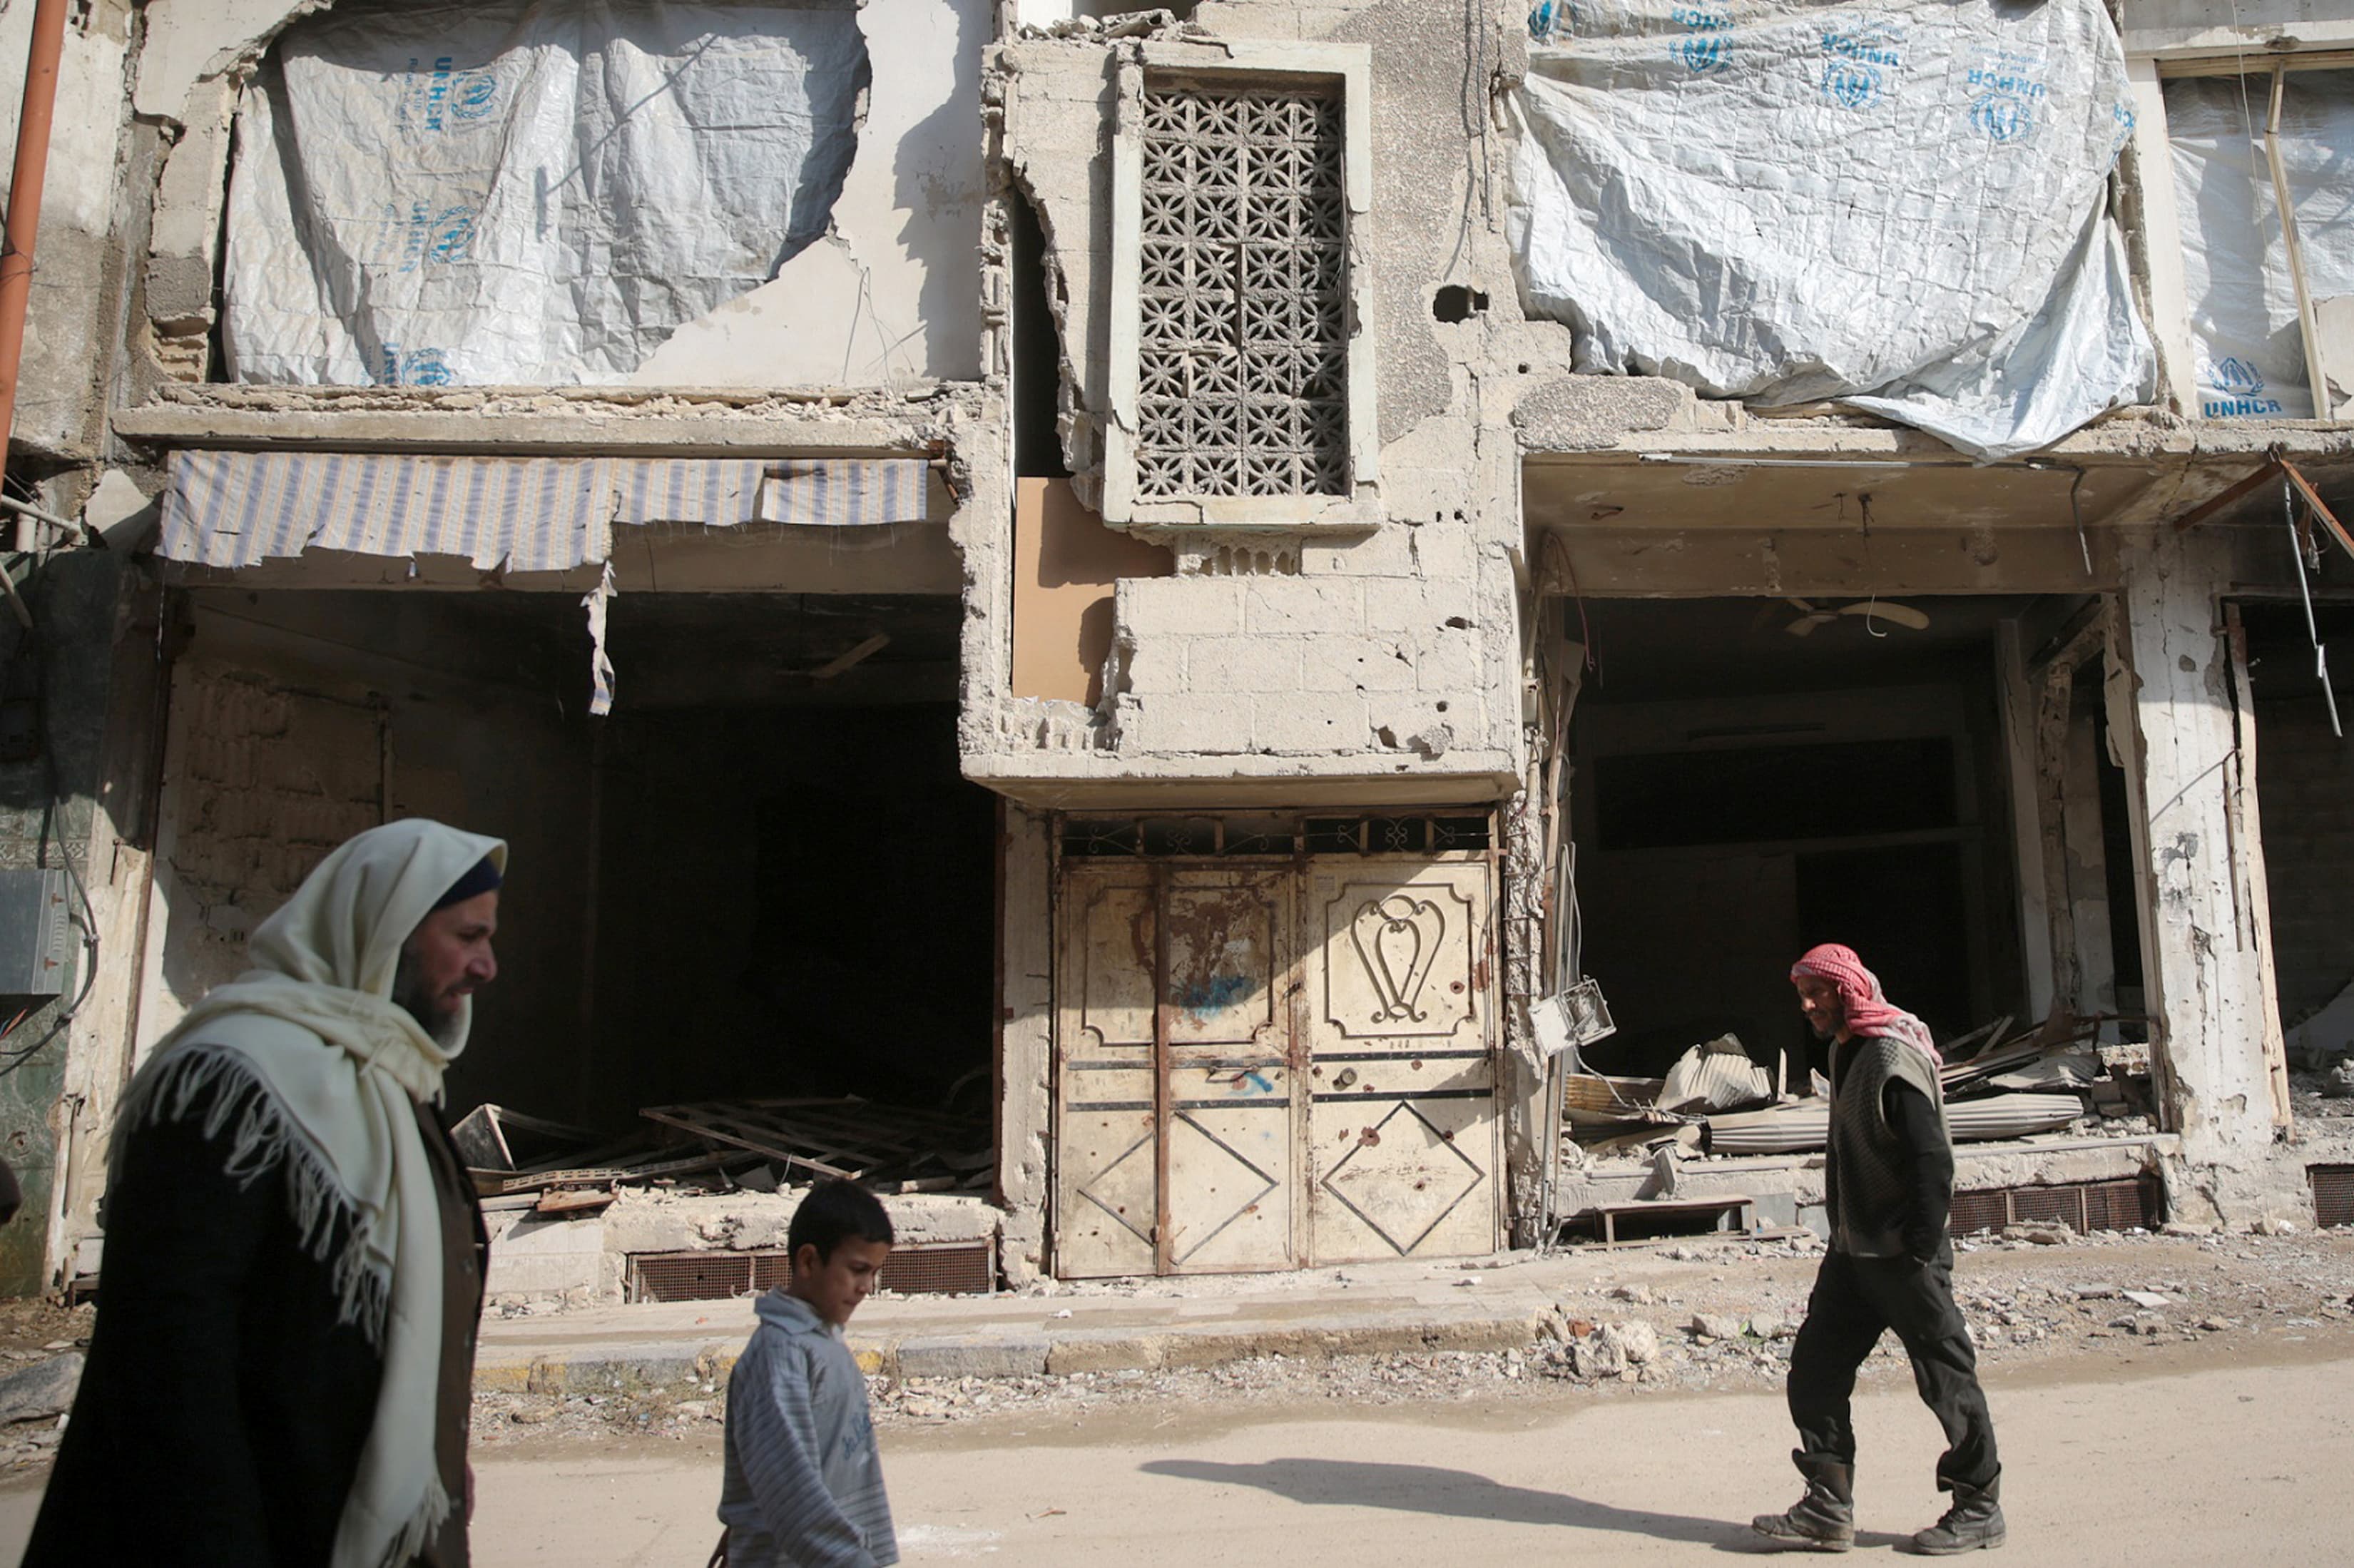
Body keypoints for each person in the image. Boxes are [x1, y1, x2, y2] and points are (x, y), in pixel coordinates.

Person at [26, 819, 506, 1568]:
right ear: (388, 932)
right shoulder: (228, 1082)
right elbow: (169, 1365)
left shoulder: (390, 1084)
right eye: (468, 936)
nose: (487, 966)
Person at [1752, 942, 2004, 1556]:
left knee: (1946, 1380)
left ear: (1848, 990)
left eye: (1819, 992)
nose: (1809, 1005)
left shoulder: (1891, 1053)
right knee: (1814, 1372)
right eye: (1802, 994)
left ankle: (1979, 1506)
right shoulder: (1847, 1051)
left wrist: (1918, 1246)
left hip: (1900, 1255)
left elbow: (1931, 1156)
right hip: (1853, 1253)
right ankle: (1827, 1506)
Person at [718, 1178, 900, 1568]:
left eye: (874, 1272)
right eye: (857, 1269)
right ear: (808, 1261)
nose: (867, 1287)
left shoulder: (822, 1339)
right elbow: (790, 1493)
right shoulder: (779, 1355)